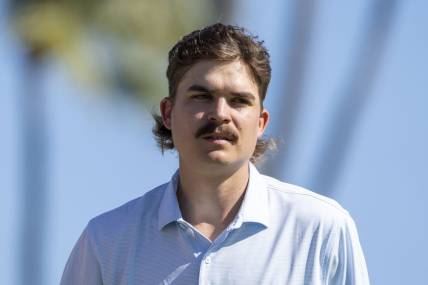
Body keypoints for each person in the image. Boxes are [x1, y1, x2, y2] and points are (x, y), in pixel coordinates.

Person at [61, 23, 370, 285]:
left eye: (238, 101)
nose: (220, 114)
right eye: (201, 96)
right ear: (168, 113)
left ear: (261, 122)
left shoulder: (321, 230)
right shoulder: (108, 241)